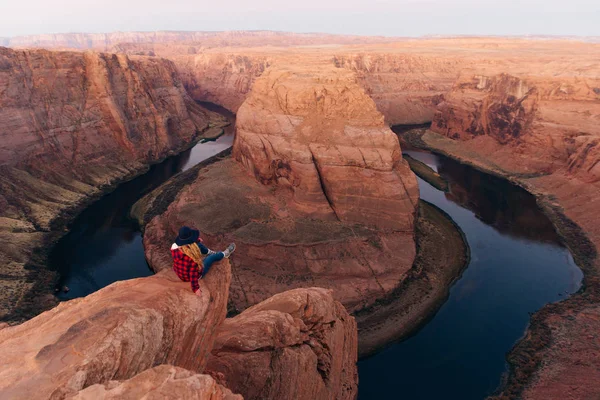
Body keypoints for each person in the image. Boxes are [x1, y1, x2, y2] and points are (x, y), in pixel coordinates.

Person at [171, 226, 235, 295]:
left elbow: (188, 244)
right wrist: (196, 289)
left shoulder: (174, 249)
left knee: (198, 245)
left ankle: (208, 251)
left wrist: (196, 240)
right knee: (210, 258)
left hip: (180, 273)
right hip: (189, 277)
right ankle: (224, 254)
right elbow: (193, 275)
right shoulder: (192, 258)